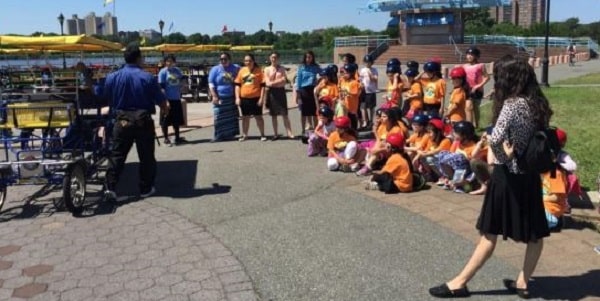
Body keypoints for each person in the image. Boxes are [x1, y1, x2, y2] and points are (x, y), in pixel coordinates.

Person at [429, 55, 554, 299]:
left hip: (507, 175)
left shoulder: (512, 104)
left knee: (489, 232)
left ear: (508, 78)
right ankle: (522, 282)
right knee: (534, 233)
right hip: (529, 175)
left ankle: (459, 282)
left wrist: (502, 157)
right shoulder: (536, 103)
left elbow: (495, 139)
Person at [103, 43, 169, 200]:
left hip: (122, 121)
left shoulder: (112, 77)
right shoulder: (147, 77)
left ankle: (110, 187)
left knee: (117, 155)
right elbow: (161, 101)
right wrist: (165, 111)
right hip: (142, 121)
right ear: (139, 58)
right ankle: (145, 188)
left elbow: (106, 97)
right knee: (146, 157)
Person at [209, 52, 240, 142]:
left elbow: (243, 74)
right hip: (219, 96)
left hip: (231, 97)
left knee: (230, 117)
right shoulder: (215, 69)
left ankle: (230, 135)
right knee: (218, 117)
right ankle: (218, 135)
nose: (223, 61)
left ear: (229, 59)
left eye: (225, 59)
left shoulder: (235, 68)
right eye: (221, 59)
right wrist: (214, 95)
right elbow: (211, 83)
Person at [235, 53, 267, 141]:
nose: (248, 62)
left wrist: (261, 98)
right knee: (245, 117)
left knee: (258, 117)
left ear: (253, 61)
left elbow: (263, 86)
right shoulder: (241, 71)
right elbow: (237, 85)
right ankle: (245, 135)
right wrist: (237, 98)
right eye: (246, 60)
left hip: (256, 98)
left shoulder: (259, 71)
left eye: (249, 60)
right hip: (244, 98)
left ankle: (262, 134)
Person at [264, 51, 294, 140]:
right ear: (270, 58)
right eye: (272, 57)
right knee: (273, 115)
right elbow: (267, 83)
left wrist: (275, 82)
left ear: (278, 58)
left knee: (284, 113)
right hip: (272, 93)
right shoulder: (267, 69)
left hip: (280, 91)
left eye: (275, 57)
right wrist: (278, 80)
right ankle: (275, 133)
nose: (274, 59)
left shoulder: (282, 69)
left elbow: (285, 80)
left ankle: (289, 132)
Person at [158, 54, 186, 145]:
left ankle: (177, 137)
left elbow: (182, 80)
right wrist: (165, 100)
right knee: (165, 120)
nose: (169, 63)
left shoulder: (177, 70)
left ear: (174, 62)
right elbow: (161, 87)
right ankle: (166, 138)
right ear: (165, 62)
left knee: (176, 119)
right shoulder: (163, 72)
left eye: (171, 61)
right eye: (167, 61)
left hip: (176, 98)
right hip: (167, 98)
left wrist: (182, 87)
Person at [463, 47, 490, 128]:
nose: (469, 56)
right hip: (467, 89)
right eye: (468, 54)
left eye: (472, 55)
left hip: (477, 90)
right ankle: (469, 126)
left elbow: (487, 77)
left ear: (476, 56)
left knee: (475, 109)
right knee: (468, 107)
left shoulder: (480, 65)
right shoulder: (464, 66)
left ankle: (476, 124)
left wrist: (479, 85)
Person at [295, 51, 321, 133]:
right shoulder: (301, 67)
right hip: (304, 90)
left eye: (310, 57)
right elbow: (298, 80)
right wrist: (298, 93)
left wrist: (319, 81)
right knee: (304, 112)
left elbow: (323, 73)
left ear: (312, 58)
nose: (308, 59)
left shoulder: (315, 67)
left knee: (314, 112)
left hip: (313, 90)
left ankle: (316, 130)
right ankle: (303, 130)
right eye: (307, 57)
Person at [338, 64, 361, 130]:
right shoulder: (342, 81)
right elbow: (340, 90)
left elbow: (355, 93)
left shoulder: (354, 83)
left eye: (345, 73)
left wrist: (347, 92)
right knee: (345, 122)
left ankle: (354, 135)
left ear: (350, 73)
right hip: (344, 106)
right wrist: (340, 97)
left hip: (352, 106)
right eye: (343, 73)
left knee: (352, 121)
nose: (343, 74)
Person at [359, 55, 378, 129]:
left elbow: (375, 79)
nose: (367, 64)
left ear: (372, 63)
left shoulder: (374, 70)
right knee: (363, 107)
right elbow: (360, 79)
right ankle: (365, 121)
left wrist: (370, 74)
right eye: (366, 62)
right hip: (364, 91)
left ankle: (371, 121)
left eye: (369, 62)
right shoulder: (363, 70)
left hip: (371, 91)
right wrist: (361, 84)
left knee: (371, 107)